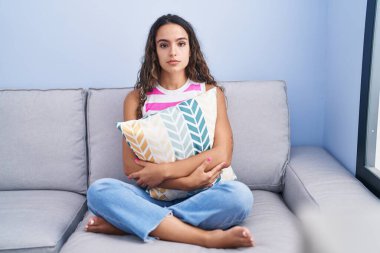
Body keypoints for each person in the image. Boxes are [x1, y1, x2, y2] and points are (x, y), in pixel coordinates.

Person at [85, 14, 254, 248]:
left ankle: (129, 224)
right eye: (164, 45)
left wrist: (165, 171)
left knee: (240, 197)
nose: (173, 52)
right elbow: (131, 167)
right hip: (153, 197)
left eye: (180, 43)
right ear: (154, 51)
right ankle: (205, 238)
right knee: (99, 191)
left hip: (204, 193)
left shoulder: (210, 93)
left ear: (190, 48)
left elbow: (222, 154)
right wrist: (184, 183)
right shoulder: (137, 99)